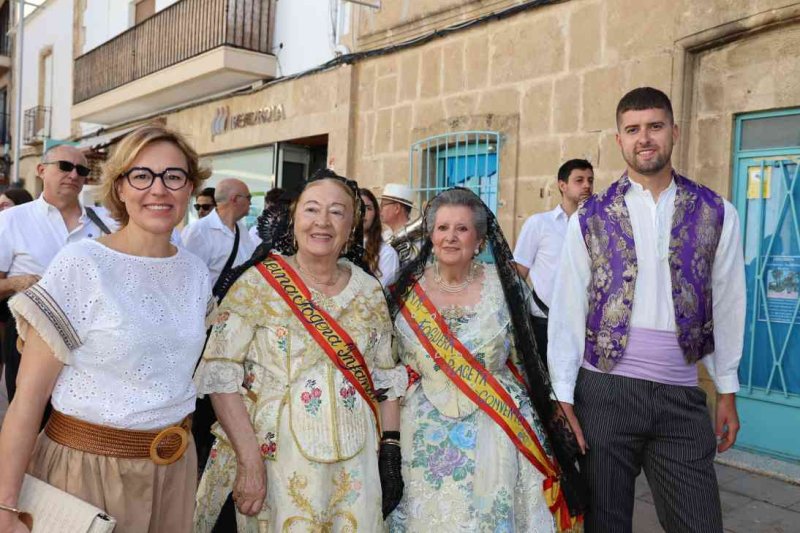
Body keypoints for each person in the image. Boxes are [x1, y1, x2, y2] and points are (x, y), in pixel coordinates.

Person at [548, 87, 745, 533]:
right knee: (605, 524)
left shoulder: (717, 212)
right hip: (604, 393)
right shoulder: (590, 215)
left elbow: (729, 302)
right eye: (633, 129)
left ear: (674, 132)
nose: (645, 138)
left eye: (655, 126)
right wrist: (563, 394)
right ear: (619, 140)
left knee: (700, 524)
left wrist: (727, 387)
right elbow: (567, 306)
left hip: (681, 394)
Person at [0, 124, 213, 533]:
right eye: (141, 175)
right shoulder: (82, 264)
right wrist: (7, 506)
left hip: (174, 471)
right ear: (119, 188)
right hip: (87, 475)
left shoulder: (195, 271)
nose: (159, 189)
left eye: (174, 176)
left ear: (189, 188)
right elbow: (28, 398)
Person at [193, 169, 405, 532]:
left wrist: (389, 451)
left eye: (337, 212)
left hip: (355, 463)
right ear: (293, 219)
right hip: (274, 461)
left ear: (353, 225)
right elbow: (221, 377)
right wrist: (249, 461)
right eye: (311, 209)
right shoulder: (256, 285)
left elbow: (386, 379)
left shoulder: (369, 291)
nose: (322, 222)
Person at [387, 187, 585, 532]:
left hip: (496, 423)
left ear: (479, 239)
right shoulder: (404, 288)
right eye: (442, 228)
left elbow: (527, 358)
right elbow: (388, 360)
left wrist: (550, 411)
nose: (450, 237)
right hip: (419, 424)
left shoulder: (504, 286)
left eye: (462, 229)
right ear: (431, 235)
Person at [0, 145, 114, 403]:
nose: (73, 175)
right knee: (29, 413)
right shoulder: (11, 220)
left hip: (92, 340)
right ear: (41, 170)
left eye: (81, 170)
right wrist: (19, 282)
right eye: (65, 166)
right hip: (29, 336)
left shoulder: (105, 221)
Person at [514, 160, 594, 364]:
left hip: (585, 324)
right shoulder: (538, 224)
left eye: (590, 180)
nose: (586, 185)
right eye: (579, 180)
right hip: (543, 323)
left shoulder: (597, 226)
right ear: (562, 185)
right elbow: (518, 275)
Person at [182, 178, 258, 289]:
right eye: (248, 198)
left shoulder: (241, 229)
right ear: (235, 199)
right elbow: (186, 279)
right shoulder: (198, 232)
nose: (250, 202)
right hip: (211, 305)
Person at [361, 187, 400, 287]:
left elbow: (376, 295)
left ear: (375, 214)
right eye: (358, 207)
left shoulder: (387, 254)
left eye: (368, 208)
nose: (363, 212)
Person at [380, 183, 422, 267]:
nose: (380, 209)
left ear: (397, 208)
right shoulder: (384, 236)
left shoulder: (417, 240)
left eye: (383, 205)